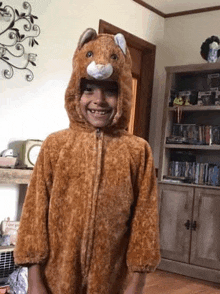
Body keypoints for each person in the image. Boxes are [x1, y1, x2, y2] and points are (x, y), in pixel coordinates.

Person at [14, 28, 161, 294]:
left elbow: (145, 222)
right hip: (55, 281)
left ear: (124, 94)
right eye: (89, 90)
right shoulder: (55, 146)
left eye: (110, 92)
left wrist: (137, 283)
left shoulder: (138, 151)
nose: (99, 101)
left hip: (112, 283)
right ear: (75, 92)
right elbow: (34, 216)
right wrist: (35, 281)